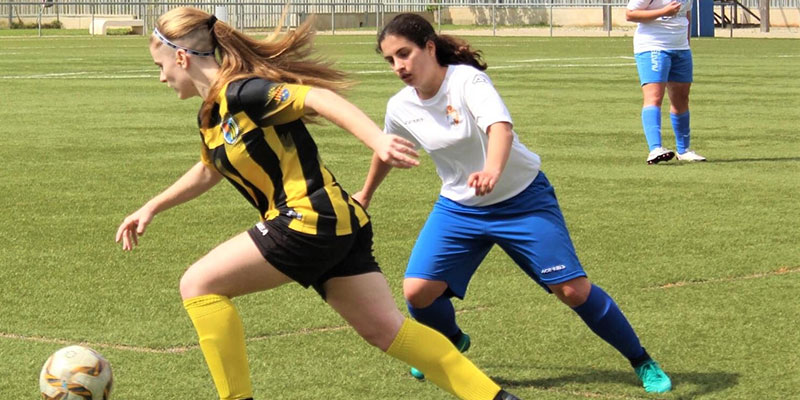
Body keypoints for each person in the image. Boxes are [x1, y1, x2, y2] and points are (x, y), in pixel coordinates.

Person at [115, 7, 521, 400]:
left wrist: (377, 140)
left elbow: (317, 97)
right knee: (388, 332)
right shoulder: (212, 115)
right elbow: (209, 169)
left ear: (181, 57)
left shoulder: (244, 92)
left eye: (160, 66)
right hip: (336, 223)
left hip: (305, 219)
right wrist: (151, 207)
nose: (161, 77)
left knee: (198, 283)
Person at [352, 13, 672, 394]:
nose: (398, 67)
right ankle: (451, 339)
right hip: (460, 208)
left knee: (572, 290)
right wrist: (365, 195)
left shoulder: (467, 81)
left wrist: (492, 169)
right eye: (390, 60)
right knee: (417, 292)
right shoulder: (400, 107)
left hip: (522, 201)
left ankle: (641, 360)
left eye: (404, 54)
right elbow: (387, 150)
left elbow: (499, 128)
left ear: (430, 47)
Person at [626, 0, 706, 164]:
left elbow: (686, 14)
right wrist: (663, 12)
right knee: (654, 97)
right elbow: (630, 14)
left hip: (681, 48)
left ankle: (683, 150)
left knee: (681, 98)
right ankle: (655, 149)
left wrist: (686, 43)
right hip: (653, 46)